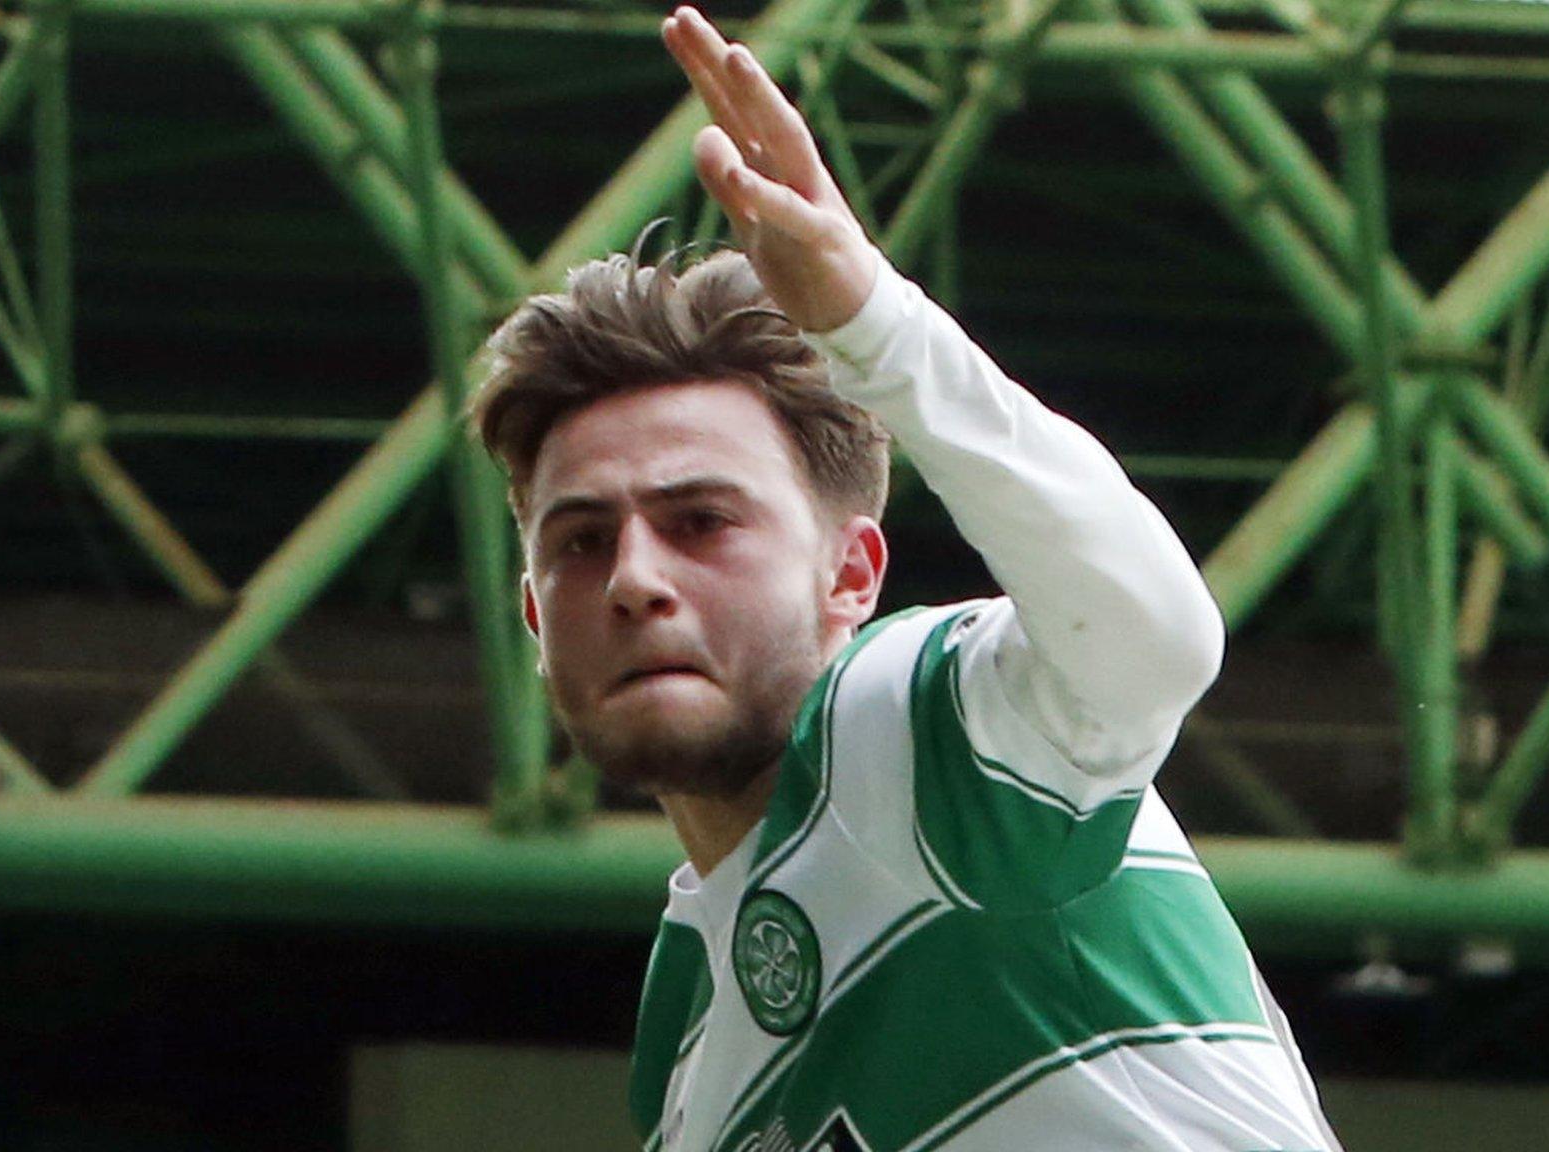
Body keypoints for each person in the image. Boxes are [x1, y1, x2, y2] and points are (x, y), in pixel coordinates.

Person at [471, 7, 1342, 1149]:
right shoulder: (689, 1060)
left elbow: (1152, 643)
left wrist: (870, 324)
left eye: (700, 521)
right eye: (581, 541)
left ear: (851, 574)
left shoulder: (922, 729)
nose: (633, 578)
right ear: (536, 620)